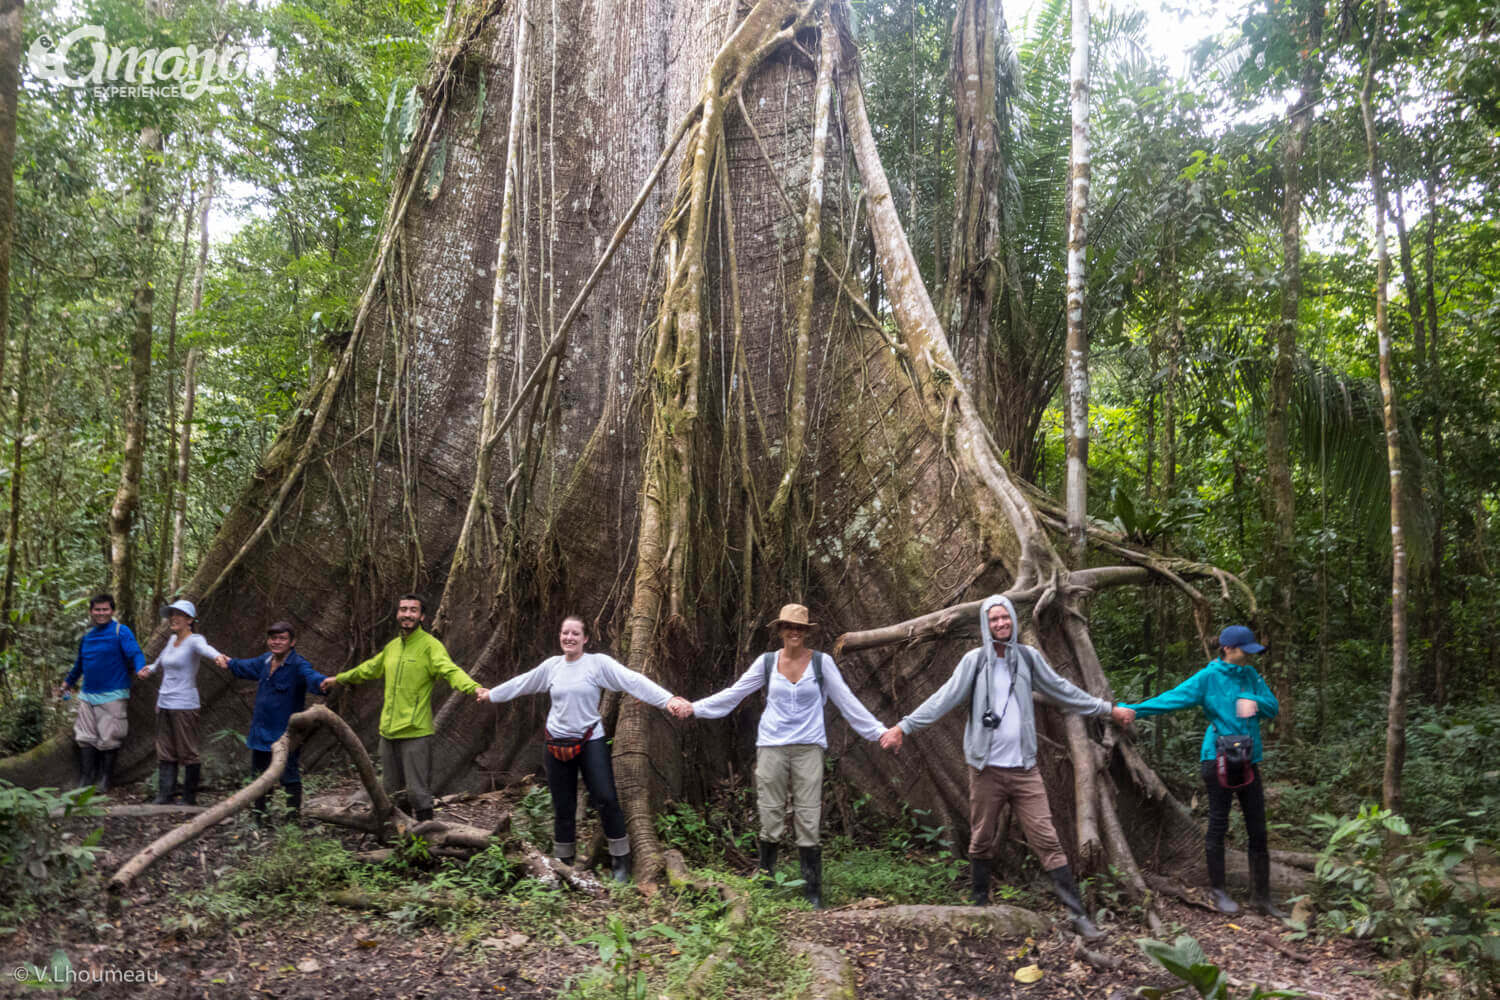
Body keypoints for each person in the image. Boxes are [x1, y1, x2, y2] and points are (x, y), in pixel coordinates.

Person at [879, 594, 1134, 940]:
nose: (1000, 624)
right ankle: (980, 905)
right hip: (985, 769)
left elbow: (1062, 690)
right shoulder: (974, 661)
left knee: (1048, 840)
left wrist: (1107, 709)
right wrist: (903, 727)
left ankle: (1078, 917)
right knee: (982, 837)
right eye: (994, 619)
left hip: (1025, 770)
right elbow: (943, 698)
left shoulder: (1027, 659)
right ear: (986, 625)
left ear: (1013, 620)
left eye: (1005, 618)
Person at [690, 603, 886, 909]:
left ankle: (813, 891)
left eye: (800, 628)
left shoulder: (821, 664)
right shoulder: (767, 663)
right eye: (789, 627)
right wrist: (695, 708)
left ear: (807, 632)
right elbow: (735, 693)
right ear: (780, 630)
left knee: (809, 815)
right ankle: (767, 881)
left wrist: (879, 732)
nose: (794, 632)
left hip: (808, 747)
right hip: (772, 746)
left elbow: (847, 701)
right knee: (770, 813)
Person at [474, 614, 692, 882]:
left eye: (575, 633)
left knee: (606, 799)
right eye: (565, 633)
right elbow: (523, 682)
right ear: (560, 636)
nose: (569, 638)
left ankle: (620, 862)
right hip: (555, 744)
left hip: (591, 742)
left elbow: (632, 680)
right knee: (563, 806)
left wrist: (667, 700)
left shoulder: (597, 664)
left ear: (585, 638)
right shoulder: (552, 666)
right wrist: (491, 694)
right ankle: (563, 864)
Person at [1118, 625, 1283, 918]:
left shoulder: (1251, 676)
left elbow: (1273, 706)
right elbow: (1172, 698)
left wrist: (1253, 703)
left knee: (1258, 829)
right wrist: (1133, 709)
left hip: (1249, 761)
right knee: (1218, 825)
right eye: (1245, 650)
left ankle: (1263, 898)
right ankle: (1218, 892)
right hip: (1217, 759)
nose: (1249, 656)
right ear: (1228, 649)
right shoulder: (1208, 677)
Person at [322, 594, 481, 822]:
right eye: (403, 609)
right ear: (398, 614)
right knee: (392, 791)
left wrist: (473, 688)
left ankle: (426, 838)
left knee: (418, 792)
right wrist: (339, 679)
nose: (407, 614)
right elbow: (368, 669)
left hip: (415, 731)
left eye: (413, 610)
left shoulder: (430, 646)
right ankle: (402, 838)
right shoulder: (392, 647)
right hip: (388, 731)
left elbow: (450, 671)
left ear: (422, 616)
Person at [216, 621, 329, 821]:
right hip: (260, 731)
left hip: (285, 735)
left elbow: (312, 677)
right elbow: (245, 666)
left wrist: (323, 683)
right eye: (273, 638)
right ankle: (261, 817)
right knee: (260, 776)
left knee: (289, 775)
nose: (276, 642)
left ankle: (292, 818)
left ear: (292, 642)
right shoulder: (265, 661)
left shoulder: (298, 665)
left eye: (282, 638)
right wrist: (229, 662)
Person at [135, 599, 223, 805]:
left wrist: (218, 657)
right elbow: (159, 663)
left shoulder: (195, 640)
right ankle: (165, 794)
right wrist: (149, 670)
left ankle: (189, 797)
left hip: (184, 703)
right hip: (164, 702)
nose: (173, 618)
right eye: (172, 614)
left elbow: (206, 649)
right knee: (165, 750)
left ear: (190, 620)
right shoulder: (171, 640)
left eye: (179, 614)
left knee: (187, 751)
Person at [60, 593, 144, 792]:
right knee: (84, 737)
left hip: (113, 695)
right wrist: (68, 683)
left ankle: (105, 780)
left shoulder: (120, 631)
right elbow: (80, 664)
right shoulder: (88, 637)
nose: (101, 613)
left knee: (109, 737)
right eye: (97, 610)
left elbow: (135, 653)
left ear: (112, 611)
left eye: (105, 609)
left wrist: (140, 668)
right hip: (88, 695)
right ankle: (86, 778)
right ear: (91, 612)